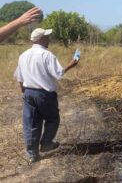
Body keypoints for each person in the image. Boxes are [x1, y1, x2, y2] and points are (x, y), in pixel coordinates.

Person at [14, 28, 79, 163]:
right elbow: (58, 74)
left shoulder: (23, 55)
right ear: (41, 39)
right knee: (52, 119)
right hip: (44, 94)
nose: (49, 39)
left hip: (28, 92)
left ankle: (32, 154)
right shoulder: (47, 55)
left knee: (31, 123)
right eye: (47, 37)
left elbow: (19, 78)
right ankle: (46, 143)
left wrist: (24, 94)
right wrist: (72, 64)